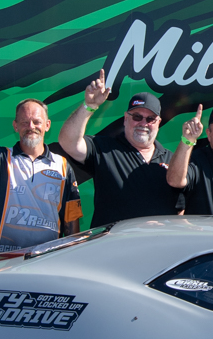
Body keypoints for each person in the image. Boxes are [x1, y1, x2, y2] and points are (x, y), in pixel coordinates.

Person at [0, 85, 82, 254]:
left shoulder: (62, 165)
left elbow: (71, 217)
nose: (31, 126)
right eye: (24, 122)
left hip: (46, 259)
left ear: (47, 125)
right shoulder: (1, 157)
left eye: (37, 122)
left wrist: (72, 255)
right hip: (2, 259)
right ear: (15, 126)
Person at [56, 71, 181, 227]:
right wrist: (89, 106)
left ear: (159, 123)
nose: (143, 123)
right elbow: (68, 141)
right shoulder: (104, 148)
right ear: (126, 118)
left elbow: (180, 208)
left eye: (150, 119)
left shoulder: (172, 160)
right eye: (137, 117)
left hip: (157, 241)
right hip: (112, 242)